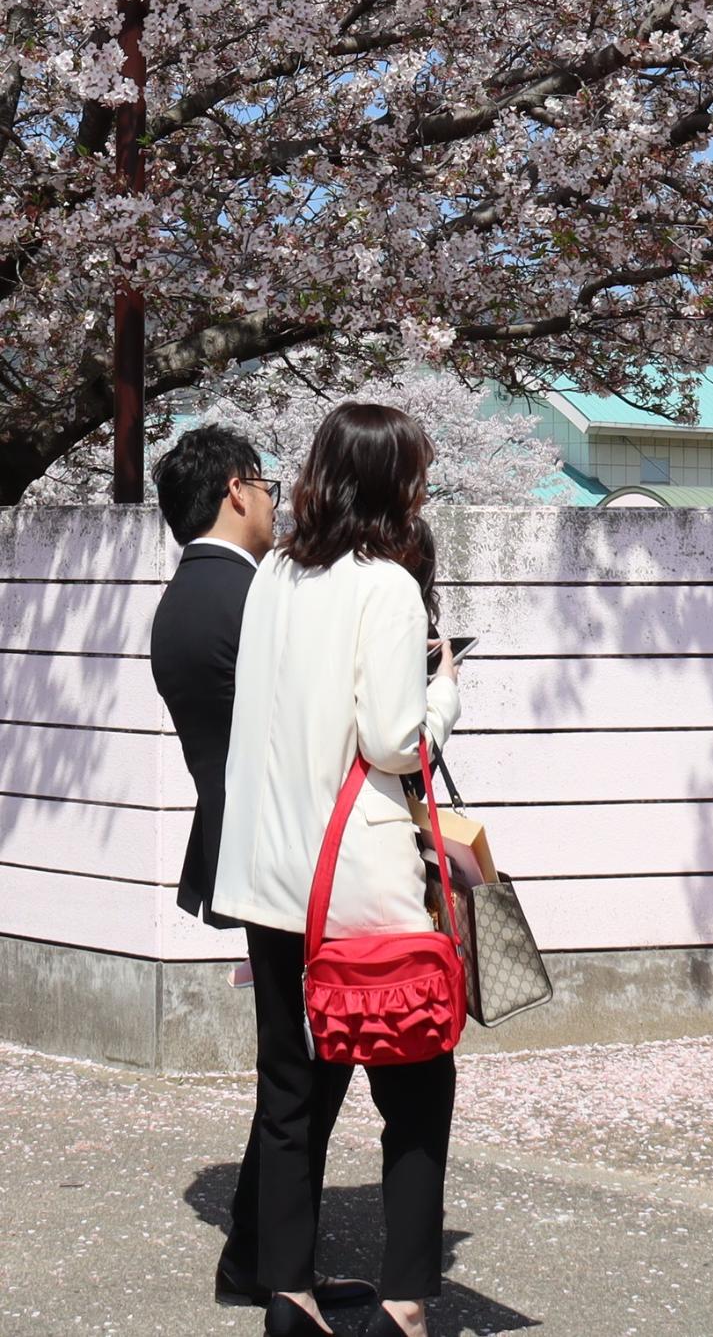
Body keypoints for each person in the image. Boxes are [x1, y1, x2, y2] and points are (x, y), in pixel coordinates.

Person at [211, 404, 462, 1337]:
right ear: (393, 483)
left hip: (269, 876)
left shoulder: (273, 574)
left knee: (288, 1093)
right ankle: (403, 1303)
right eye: (418, 473)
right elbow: (394, 741)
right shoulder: (387, 587)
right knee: (416, 1091)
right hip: (355, 883)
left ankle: (290, 1295)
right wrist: (445, 695)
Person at [149, 428, 376, 1316]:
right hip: (291, 857)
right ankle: (270, 1269)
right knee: (307, 1075)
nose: (276, 501)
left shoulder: (187, 596)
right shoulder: (254, 597)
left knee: (303, 1072)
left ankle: (259, 1254)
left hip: (241, 846)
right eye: (266, 484)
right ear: (235, 491)